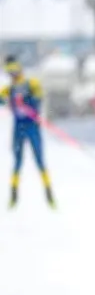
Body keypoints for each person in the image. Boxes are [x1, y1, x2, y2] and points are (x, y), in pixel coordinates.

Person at [0, 55, 55, 209]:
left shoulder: (32, 83)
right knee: (17, 162)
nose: (13, 74)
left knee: (40, 161)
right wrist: (6, 101)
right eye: (9, 72)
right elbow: (1, 98)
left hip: (32, 127)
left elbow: (39, 98)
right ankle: (13, 196)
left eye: (14, 70)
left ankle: (49, 194)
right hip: (19, 128)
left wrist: (29, 102)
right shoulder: (8, 89)